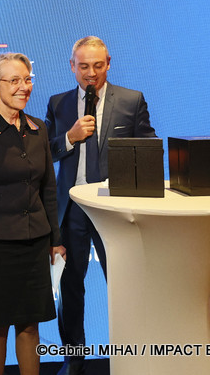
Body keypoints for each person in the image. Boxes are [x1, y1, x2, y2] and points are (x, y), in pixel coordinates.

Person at [45, 36, 156, 375]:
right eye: (83, 66)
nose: (90, 74)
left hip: (113, 208)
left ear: (108, 62)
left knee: (122, 285)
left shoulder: (131, 100)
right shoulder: (58, 103)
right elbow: (45, 152)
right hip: (72, 208)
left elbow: (148, 148)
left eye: (97, 65)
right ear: (71, 66)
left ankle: (128, 357)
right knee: (70, 286)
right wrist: (70, 137)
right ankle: (74, 359)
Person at [0, 53, 65, 375]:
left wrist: (55, 241)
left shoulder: (38, 129)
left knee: (30, 326)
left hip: (34, 243)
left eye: (28, 79)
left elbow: (48, 187)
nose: (24, 87)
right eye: (14, 80)